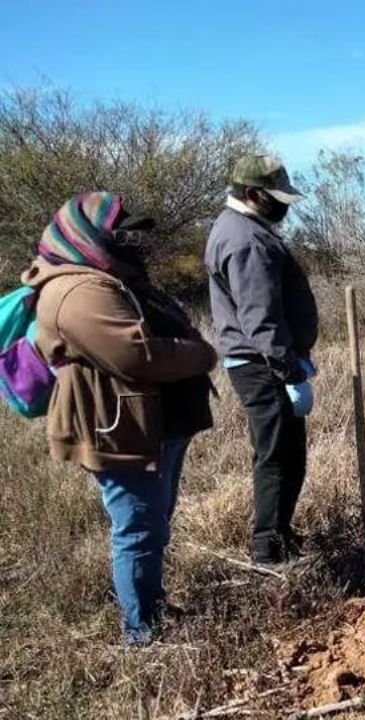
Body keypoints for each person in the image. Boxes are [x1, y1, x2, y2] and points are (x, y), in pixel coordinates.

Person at [22, 192, 217, 646]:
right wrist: (202, 354)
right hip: (119, 430)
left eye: (135, 235)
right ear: (85, 235)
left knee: (153, 521)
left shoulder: (109, 277)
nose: (134, 243)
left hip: (149, 424)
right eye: (123, 234)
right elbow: (136, 356)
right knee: (137, 528)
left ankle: (153, 606)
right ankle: (141, 632)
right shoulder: (77, 290)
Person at [205, 155, 319, 566]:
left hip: (265, 362)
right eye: (276, 198)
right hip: (263, 365)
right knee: (277, 457)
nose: (283, 207)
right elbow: (261, 319)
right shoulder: (246, 240)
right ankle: (268, 553)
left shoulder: (243, 228)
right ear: (253, 194)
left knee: (288, 455)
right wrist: (290, 372)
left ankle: (281, 538)